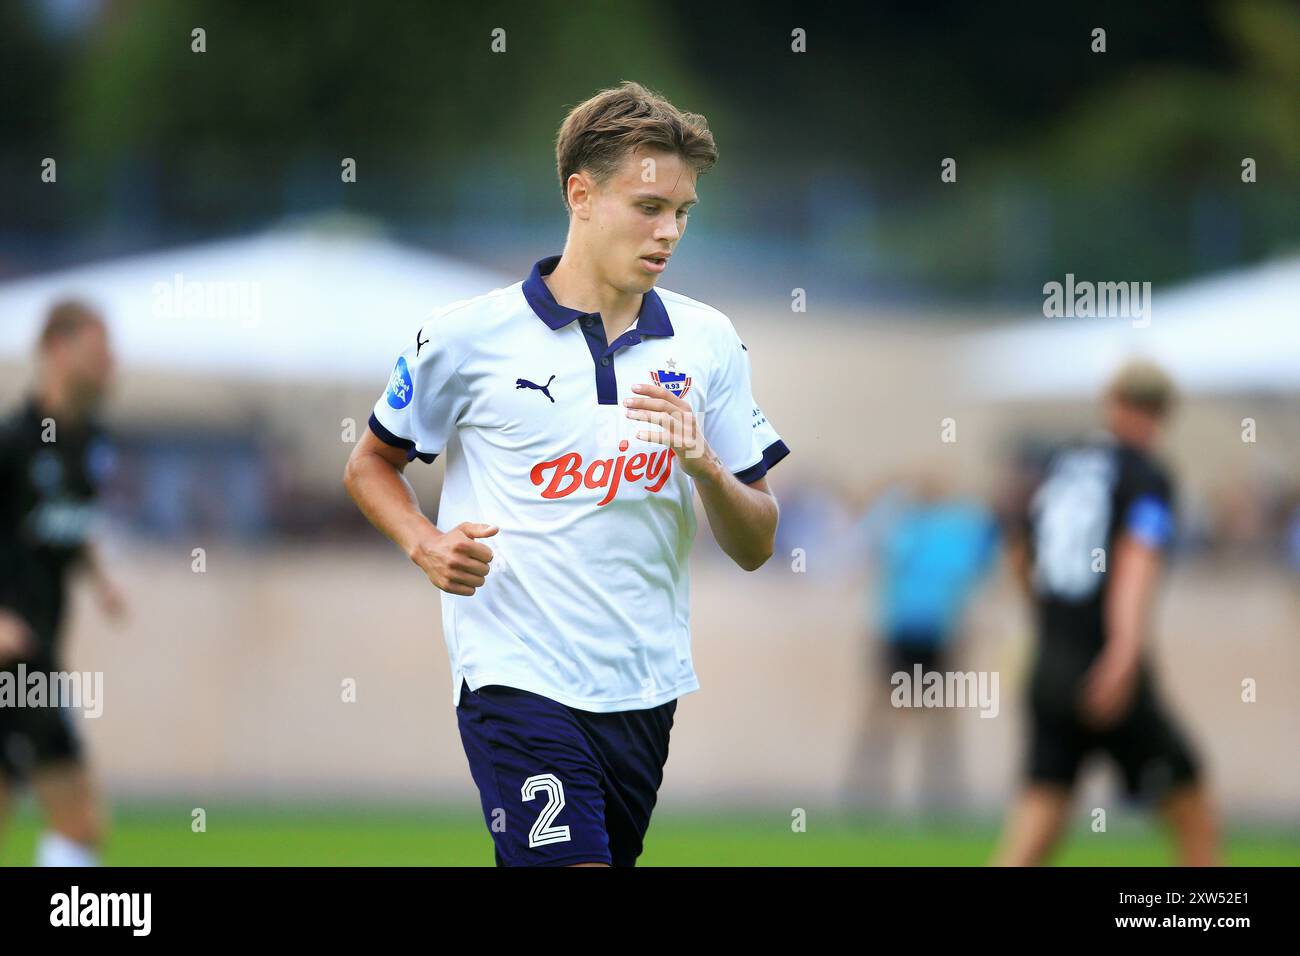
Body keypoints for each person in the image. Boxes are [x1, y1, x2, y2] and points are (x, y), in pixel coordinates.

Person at [344, 81, 789, 866]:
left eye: (683, 212)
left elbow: (756, 543)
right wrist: (425, 542)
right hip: (515, 678)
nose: (670, 231)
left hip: (643, 690)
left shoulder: (709, 341)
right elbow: (371, 463)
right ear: (580, 195)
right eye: (649, 206)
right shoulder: (465, 338)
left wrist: (707, 468)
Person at [992, 360, 1219, 866]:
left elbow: (1018, 555)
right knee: (1194, 816)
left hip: (1050, 662)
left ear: (1110, 401)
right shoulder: (1147, 474)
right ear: (1163, 413)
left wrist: (1048, 622)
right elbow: (1136, 562)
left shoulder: (1061, 465)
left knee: (1034, 829)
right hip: (1106, 666)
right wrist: (1123, 651)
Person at [0, 300, 125, 866]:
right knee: (80, 820)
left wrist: (100, 579)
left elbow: (68, 526)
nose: (110, 365)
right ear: (57, 350)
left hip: (39, 648)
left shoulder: (88, 445)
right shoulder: (14, 443)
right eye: (98, 352)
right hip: (17, 659)